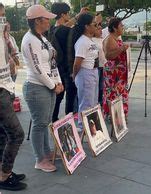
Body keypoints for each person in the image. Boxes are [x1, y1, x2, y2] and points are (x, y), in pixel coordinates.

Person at [22, 5, 64, 172]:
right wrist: (53, 85)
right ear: (37, 21)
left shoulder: (42, 38)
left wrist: (58, 81)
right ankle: (40, 159)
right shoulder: (29, 40)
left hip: (47, 86)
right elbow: (37, 69)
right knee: (40, 124)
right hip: (36, 88)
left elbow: (51, 62)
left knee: (45, 122)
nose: (49, 21)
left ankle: (46, 152)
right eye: (46, 18)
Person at [0, 3, 26, 191]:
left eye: (3, 16)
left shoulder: (3, 36)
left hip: (6, 87)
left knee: (3, 134)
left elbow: (11, 58)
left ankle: (4, 171)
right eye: (0, 17)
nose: (3, 21)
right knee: (16, 134)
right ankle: (4, 175)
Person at [50, 3, 88, 122]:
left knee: (58, 96)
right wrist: (80, 16)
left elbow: (63, 26)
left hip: (56, 67)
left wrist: (78, 15)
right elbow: (68, 27)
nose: (69, 15)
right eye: (68, 13)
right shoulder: (65, 31)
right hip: (68, 66)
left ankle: (54, 119)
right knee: (71, 95)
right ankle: (69, 119)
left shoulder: (52, 30)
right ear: (63, 14)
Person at [72, 13, 99, 129]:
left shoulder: (90, 40)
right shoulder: (82, 42)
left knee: (92, 102)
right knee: (86, 103)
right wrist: (74, 75)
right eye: (95, 24)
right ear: (87, 26)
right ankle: (83, 127)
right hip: (85, 73)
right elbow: (77, 62)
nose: (97, 26)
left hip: (93, 72)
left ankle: (90, 127)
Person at [103, 18, 129, 118]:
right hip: (114, 74)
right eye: (121, 26)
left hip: (119, 74)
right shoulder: (109, 39)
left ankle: (119, 116)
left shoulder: (116, 39)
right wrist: (121, 48)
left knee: (119, 94)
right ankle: (112, 116)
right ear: (114, 27)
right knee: (113, 94)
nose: (123, 27)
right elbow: (108, 56)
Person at [92, 18, 107, 104]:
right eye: (98, 29)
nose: (100, 30)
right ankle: (96, 102)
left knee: (102, 86)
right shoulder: (92, 40)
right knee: (96, 86)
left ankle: (100, 102)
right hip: (97, 67)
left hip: (104, 65)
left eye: (101, 29)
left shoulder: (103, 40)